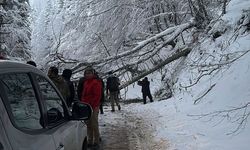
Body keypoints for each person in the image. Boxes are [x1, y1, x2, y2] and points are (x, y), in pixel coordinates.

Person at [80, 67, 102, 149]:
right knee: (88, 124)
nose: (87, 75)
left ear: (93, 74)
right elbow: (83, 95)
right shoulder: (85, 82)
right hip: (86, 106)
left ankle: (96, 141)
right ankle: (89, 140)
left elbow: (97, 96)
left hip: (93, 106)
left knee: (94, 124)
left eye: (89, 73)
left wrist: (91, 105)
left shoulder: (96, 82)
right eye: (86, 73)